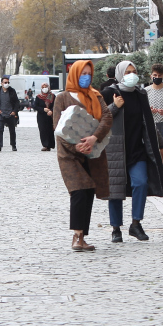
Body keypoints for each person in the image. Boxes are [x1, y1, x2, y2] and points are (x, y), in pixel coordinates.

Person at [101, 61, 163, 243]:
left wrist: (161, 145)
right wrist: (114, 106)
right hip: (115, 150)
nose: (132, 74)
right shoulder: (109, 93)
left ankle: (136, 223)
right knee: (115, 190)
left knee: (140, 183)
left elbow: (148, 122)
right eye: (128, 72)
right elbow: (99, 119)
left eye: (135, 71)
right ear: (120, 74)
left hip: (137, 149)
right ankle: (116, 228)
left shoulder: (140, 94)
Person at [52, 59, 112, 252]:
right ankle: (77, 236)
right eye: (83, 73)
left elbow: (107, 117)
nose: (86, 77)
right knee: (79, 190)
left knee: (89, 191)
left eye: (89, 74)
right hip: (69, 155)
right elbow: (58, 128)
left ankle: (82, 236)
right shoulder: (62, 97)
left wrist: (94, 138)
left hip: (92, 154)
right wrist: (75, 146)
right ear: (75, 74)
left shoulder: (96, 96)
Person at [0, 75, 19, 151]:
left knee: (12, 130)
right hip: (1, 114)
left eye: (8, 82)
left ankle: (13, 145)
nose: (6, 84)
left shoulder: (12, 91)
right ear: (1, 83)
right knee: (0, 130)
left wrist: (14, 111)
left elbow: (17, 102)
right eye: (5, 82)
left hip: (10, 114)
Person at [33, 82, 56, 151]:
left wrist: (51, 111)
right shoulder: (38, 97)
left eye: (45, 87)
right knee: (43, 130)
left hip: (50, 116)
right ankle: (45, 145)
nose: (44, 88)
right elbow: (35, 106)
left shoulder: (52, 96)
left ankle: (50, 144)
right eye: (43, 87)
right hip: (41, 116)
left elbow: (56, 105)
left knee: (50, 130)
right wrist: (43, 109)